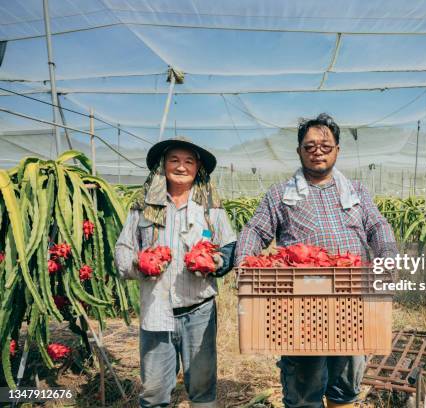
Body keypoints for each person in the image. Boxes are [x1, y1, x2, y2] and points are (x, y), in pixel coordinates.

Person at [235, 113, 397, 408]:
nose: (317, 151)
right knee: (303, 383)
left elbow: (377, 226)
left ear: (337, 150)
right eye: (309, 146)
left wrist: (387, 258)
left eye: (325, 145)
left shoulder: (357, 191)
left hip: (352, 299)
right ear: (299, 151)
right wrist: (244, 266)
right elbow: (255, 230)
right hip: (301, 304)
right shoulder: (280, 195)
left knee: (346, 380)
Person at [115, 137, 236, 408]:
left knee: (203, 390)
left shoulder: (210, 208)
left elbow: (230, 246)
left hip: (199, 311)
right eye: (174, 160)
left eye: (189, 161)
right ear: (163, 166)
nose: (181, 167)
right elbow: (122, 250)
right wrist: (140, 263)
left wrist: (214, 262)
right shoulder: (142, 207)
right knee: (154, 393)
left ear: (197, 169)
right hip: (156, 311)